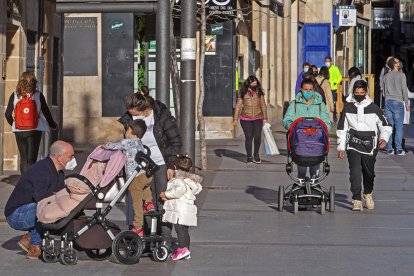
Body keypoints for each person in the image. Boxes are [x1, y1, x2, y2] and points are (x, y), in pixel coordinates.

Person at [119, 92, 182, 240]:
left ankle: (164, 236)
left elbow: (176, 141)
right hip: (139, 165)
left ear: (144, 109)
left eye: (135, 113)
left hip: (160, 163)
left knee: (162, 200)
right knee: (141, 200)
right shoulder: (129, 118)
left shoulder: (160, 115)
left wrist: (171, 165)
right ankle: (144, 235)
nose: (133, 116)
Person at [4, 140, 76, 259]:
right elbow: (40, 197)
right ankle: (35, 244)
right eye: (71, 156)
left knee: (55, 207)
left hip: (31, 209)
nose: (73, 159)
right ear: (59, 157)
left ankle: (29, 239)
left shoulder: (59, 173)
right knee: (47, 207)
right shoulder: (42, 170)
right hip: (15, 215)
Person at [337, 80, 392, 211]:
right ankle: (356, 199)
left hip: (370, 145)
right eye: (357, 93)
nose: (359, 95)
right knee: (355, 172)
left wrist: (384, 139)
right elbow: (342, 128)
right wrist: (341, 147)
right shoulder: (348, 107)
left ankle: (367, 193)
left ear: (366, 92)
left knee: (369, 173)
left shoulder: (374, 108)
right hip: (353, 143)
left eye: (362, 93)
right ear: (353, 93)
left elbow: (385, 125)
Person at [104, 119, 155, 237]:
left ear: (130, 131)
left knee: (136, 203)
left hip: (135, 178)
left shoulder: (127, 142)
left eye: (126, 129)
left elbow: (114, 146)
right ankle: (149, 203)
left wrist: (105, 145)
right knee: (145, 188)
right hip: (146, 174)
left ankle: (138, 227)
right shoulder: (139, 142)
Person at [5, 72, 58, 174]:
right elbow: (47, 113)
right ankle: (31, 183)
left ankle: (24, 183)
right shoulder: (38, 95)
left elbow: (7, 114)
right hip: (35, 129)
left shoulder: (15, 95)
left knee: (24, 158)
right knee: (31, 159)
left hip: (19, 130)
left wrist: (14, 124)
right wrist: (53, 125)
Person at [283, 78, 331, 179]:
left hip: (316, 140)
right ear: (301, 89)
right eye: (306, 90)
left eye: (310, 90)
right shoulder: (294, 104)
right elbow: (287, 119)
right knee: (301, 169)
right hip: (300, 141)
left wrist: (324, 129)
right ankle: (301, 183)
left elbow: (326, 121)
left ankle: (315, 183)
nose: (308, 92)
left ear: (313, 90)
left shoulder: (320, 105)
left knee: (315, 168)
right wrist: (292, 126)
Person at [160, 154, 202, 261]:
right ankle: (186, 250)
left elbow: (179, 190)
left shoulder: (179, 180)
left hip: (180, 209)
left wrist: (166, 194)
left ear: (175, 167)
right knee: (184, 230)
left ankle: (183, 249)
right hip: (187, 209)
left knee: (180, 230)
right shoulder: (190, 180)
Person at [233, 75, 268, 163]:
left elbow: (263, 105)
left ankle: (256, 155)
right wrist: (235, 119)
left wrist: (265, 117)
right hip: (245, 119)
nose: (255, 84)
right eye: (253, 82)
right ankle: (249, 156)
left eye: (256, 82)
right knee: (249, 137)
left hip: (258, 117)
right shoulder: (243, 92)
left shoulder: (259, 92)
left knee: (257, 137)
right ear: (249, 83)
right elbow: (238, 106)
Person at [383, 57, 410, 155]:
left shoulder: (386, 76)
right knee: (399, 127)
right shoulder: (402, 75)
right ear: (394, 64)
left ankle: (389, 149)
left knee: (390, 127)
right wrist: (406, 103)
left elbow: (384, 91)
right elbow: (404, 90)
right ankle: (398, 149)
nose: (399, 63)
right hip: (398, 101)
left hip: (388, 101)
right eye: (397, 62)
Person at [324, 56, 343, 122]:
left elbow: (340, 77)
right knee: (326, 103)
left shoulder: (335, 68)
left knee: (333, 102)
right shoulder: (324, 69)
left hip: (333, 88)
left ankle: (334, 115)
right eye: (326, 61)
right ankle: (327, 116)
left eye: (328, 61)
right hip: (326, 88)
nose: (327, 63)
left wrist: (335, 82)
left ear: (331, 61)